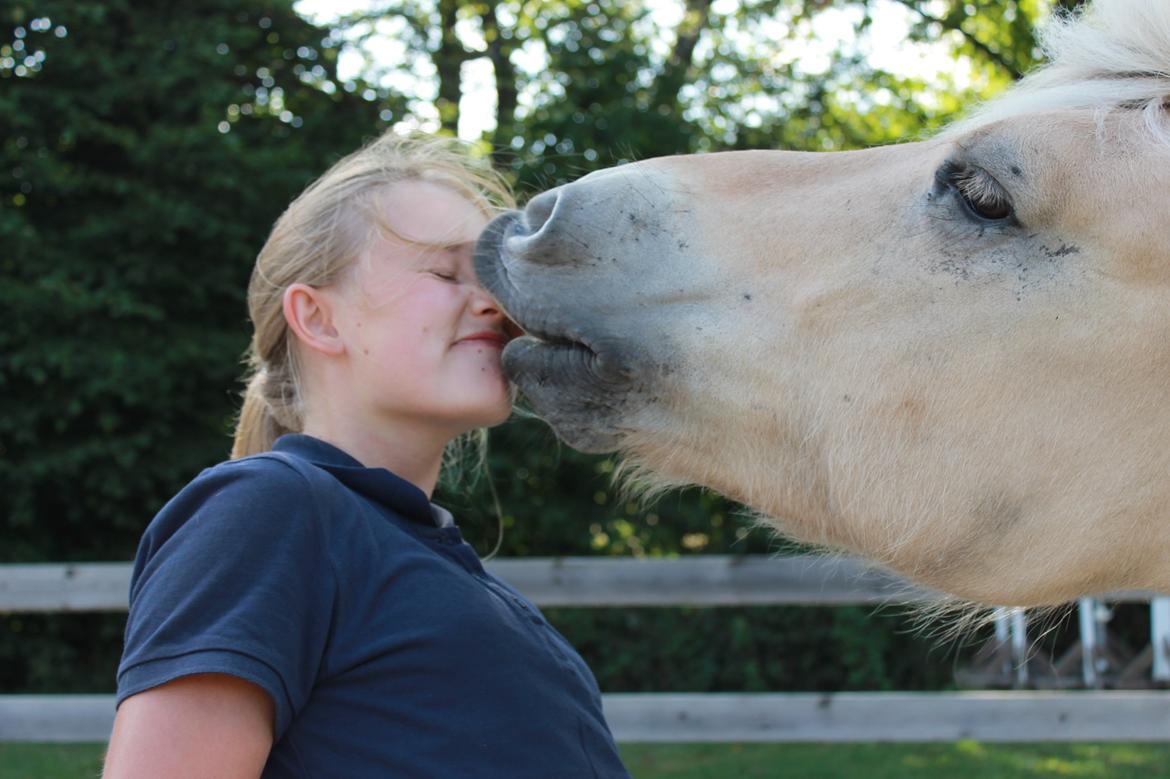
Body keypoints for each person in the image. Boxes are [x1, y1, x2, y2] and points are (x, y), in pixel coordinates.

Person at [103, 133, 632, 778]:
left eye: (496, 277)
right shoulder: (268, 509)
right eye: (444, 272)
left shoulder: (433, 562)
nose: (497, 304)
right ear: (319, 320)